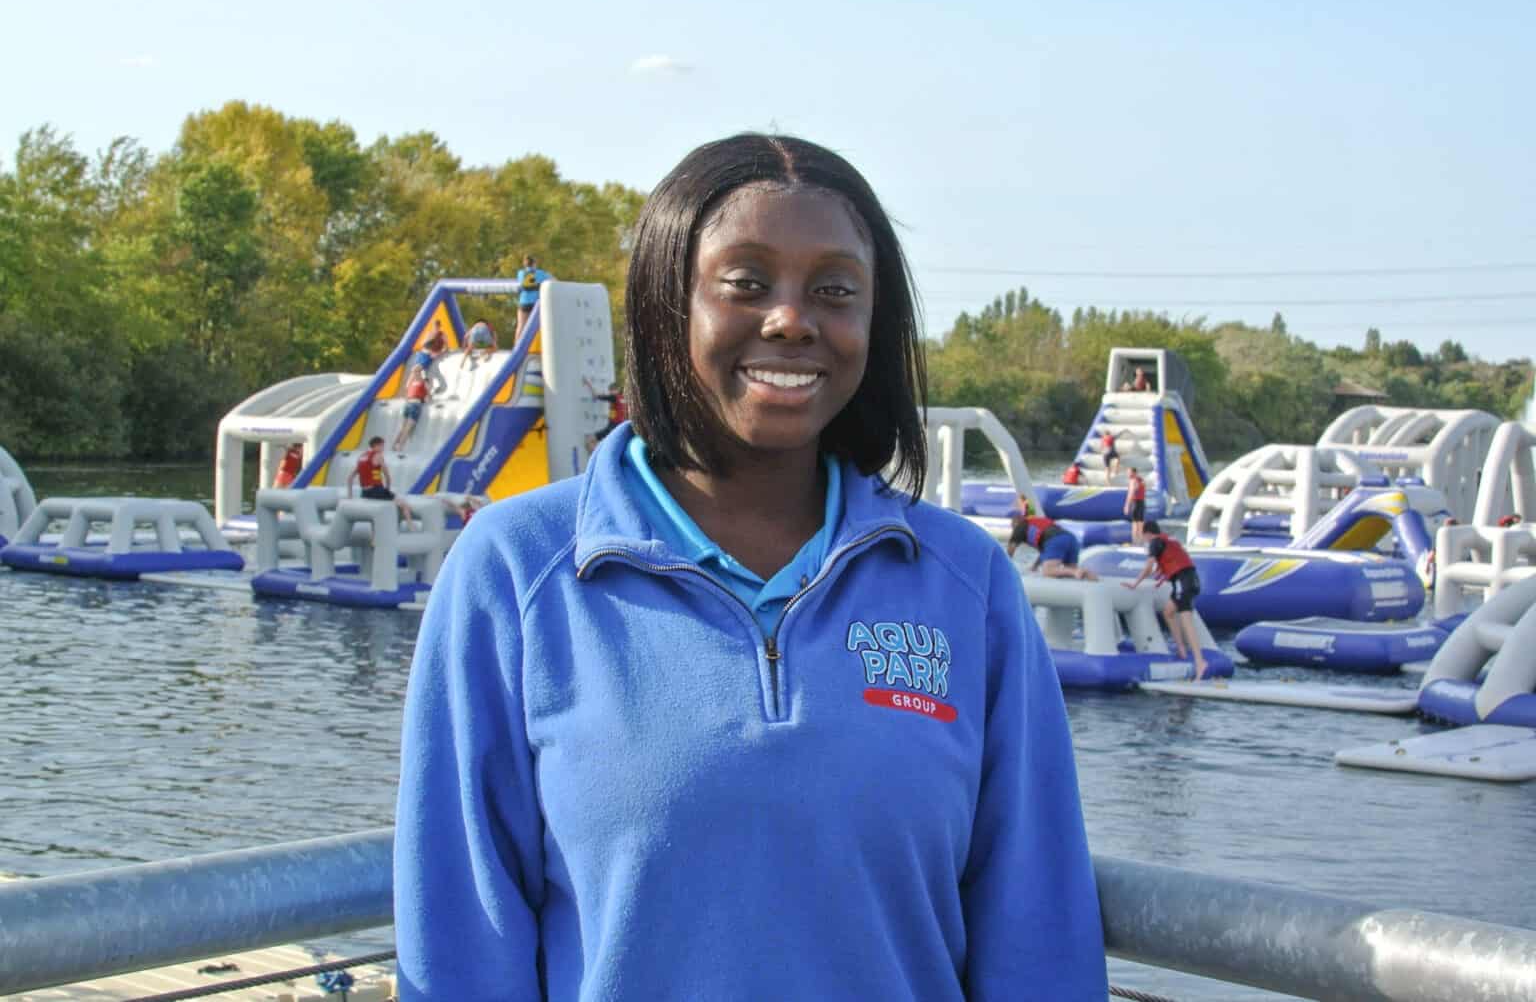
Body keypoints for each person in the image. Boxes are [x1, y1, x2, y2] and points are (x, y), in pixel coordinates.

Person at [395, 133, 1107, 1001]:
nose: (792, 319)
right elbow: (460, 947)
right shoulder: (514, 574)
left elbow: (1040, 937)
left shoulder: (965, 583)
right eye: (747, 282)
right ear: (665, 305)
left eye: (835, 290)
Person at [1123, 519, 1205, 678]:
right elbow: (1172, 563)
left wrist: (1135, 584)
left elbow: (1149, 567)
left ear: (1147, 534)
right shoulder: (1169, 541)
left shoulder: (1155, 542)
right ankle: (1180, 648)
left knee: (1187, 621)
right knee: (1168, 611)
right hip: (1189, 581)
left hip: (1183, 582)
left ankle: (1200, 662)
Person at [1007, 497, 1098, 580]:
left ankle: (1075, 571)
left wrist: (1005, 567)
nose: (1012, 527)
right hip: (1070, 539)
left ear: (1016, 521)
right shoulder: (1036, 522)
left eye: (1012, 524)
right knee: (1069, 571)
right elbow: (1045, 553)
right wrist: (1034, 567)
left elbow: (1010, 550)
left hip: (1056, 540)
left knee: (1048, 571)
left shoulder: (1020, 527)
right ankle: (1090, 576)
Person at [347, 436, 415, 526]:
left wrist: (350, 496)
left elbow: (350, 478)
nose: (383, 448)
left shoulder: (362, 457)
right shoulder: (378, 456)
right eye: (382, 446)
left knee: (378, 510)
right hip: (376, 490)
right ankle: (412, 528)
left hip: (364, 493)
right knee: (405, 505)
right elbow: (387, 477)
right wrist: (387, 491)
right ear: (377, 446)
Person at [513, 254, 553, 342]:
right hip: (536, 304)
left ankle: (516, 348)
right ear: (534, 263)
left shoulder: (521, 273)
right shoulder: (541, 273)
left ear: (525, 264)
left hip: (523, 303)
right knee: (541, 327)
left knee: (521, 326)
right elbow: (553, 281)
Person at [392, 366, 432, 451]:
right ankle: (400, 447)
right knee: (408, 428)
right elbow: (428, 394)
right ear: (421, 372)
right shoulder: (424, 382)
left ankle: (394, 445)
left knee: (403, 427)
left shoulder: (411, 382)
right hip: (415, 404)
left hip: (407, 404)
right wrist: (430, 400)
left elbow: (407, 394)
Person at [582, 375, 626, 450]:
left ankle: (593, 449)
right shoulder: (621, 398)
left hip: (614, 424)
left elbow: (596, 395)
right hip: (618, 424)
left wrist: (588, 384)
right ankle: (593, 447)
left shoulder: (614, 397)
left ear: (615, 390)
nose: (610, 392)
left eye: (611, 390)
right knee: (602, 437)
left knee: (596, 438)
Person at [411, 328, 449, 395]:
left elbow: (436, 352)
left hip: (426, 358)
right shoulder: (433, 342)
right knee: (424, 375)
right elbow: (426, 346)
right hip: (425, 357)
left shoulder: (436, 343)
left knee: (418, 372)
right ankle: (428, 390)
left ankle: (428, 390)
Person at [1123, 465, 1147, 543]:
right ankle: (1140, 541)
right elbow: (1142, 490)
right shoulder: (1141, 480)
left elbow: (1131, 492)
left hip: (1136, 503)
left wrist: (1127, 505)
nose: (1127, 474)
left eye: (1129, 473)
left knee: (1135, 524)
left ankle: (1134, 542)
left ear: (1133, 473)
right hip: (1142, 503)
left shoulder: (1133, 480)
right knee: (1140, 523)